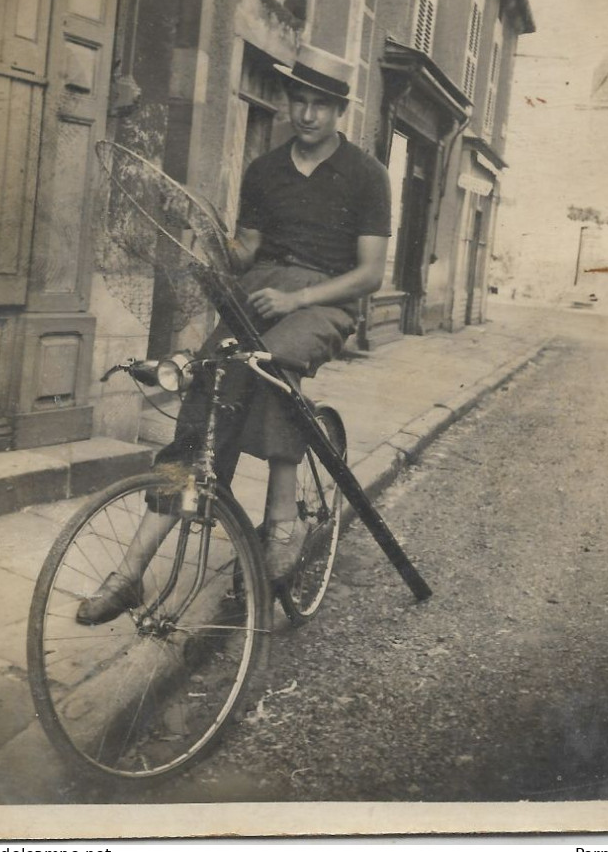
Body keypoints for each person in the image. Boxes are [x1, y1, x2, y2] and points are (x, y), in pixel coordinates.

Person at [77, 44, 391, 625]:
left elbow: (371, 274)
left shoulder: (368, 177)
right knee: (203, 389)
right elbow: (246, 252)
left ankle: (282, 525)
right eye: (299, 100)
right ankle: (130, 572)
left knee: (268, 365)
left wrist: (298, 297)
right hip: (260, 292)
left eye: (320, 105)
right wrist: (216, 244)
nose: (306, 114)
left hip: (325, 299)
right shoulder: (264, 170)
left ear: (339, 109)